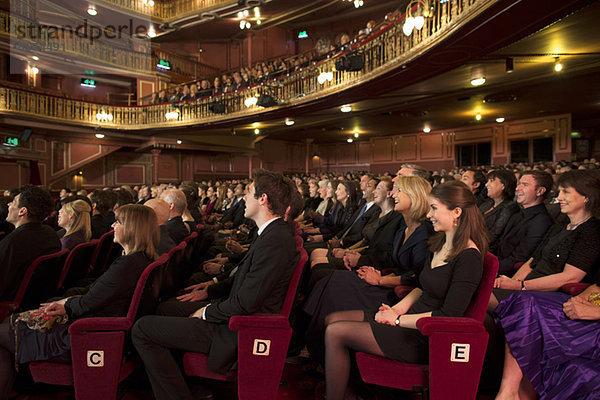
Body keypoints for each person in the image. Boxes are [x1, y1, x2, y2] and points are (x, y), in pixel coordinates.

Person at [131, 170, 300, 400]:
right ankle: (189, 386)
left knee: (142, 329)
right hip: (231, 313)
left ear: (263, 199)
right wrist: (208, 290)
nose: (244, 198)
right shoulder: (270, 234)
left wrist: (206, 312)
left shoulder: (276, 240)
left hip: (237, 328)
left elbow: (248, 302)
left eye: (249, 192)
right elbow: (244, 280)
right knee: (164, 309)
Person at [323, 180, 487, 400]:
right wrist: (396, 309)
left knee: (336, 332)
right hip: (408, 318)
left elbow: (449, 316)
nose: (429, 215)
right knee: (331, 319)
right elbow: (422, 287)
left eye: (434, 208)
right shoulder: (439, 242)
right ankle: (350, 392)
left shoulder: (469, 258)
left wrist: (398, 320)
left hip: (425, 334)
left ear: (456, 212)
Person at [0, 204, 159, 397]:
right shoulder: (137, 259)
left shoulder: (128, 265)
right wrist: (66, 301)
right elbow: (96, 291)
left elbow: (86, 303)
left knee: (3, 331)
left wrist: (65, 304)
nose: (113, 227)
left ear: (133, 228)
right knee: (9, 327)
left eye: (118, 222)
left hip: (88, 334)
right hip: (97, 326)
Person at [304, 176, 433, 361]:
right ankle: (313, 340)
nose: (393, 194)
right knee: (333, 280)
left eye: (399, 191)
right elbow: (397, 264)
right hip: (388, 280)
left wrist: (381, 279)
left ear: (415, 196)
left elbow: (417, 277)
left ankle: (316, 349)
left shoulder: (424, 231)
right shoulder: (403, 228)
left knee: (336, 284)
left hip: (399, 295)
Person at [490, 169, 600, 310]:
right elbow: (532, 262)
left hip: (548, 295)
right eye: (559, 192)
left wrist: (520, 286)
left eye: (565, 192)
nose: (559, 197)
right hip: (528, 287)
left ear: (587, 197)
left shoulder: (591, 231)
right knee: (477, 296)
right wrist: (513, 283)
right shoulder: (559, 226)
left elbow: (571, 277)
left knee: (478, 300)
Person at [494, 281, 600, 400]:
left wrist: (595, 312)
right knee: (527, 302)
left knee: (582, 374)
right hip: (592, 312)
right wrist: (581, 301)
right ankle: (508, 391)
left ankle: (522, 394)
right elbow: (597, 286)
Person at [0, 186, 61, 301]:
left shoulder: (13, 243)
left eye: (13, 202)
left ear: (22, 211)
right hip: (39, 297)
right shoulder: (50, 233)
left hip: (12, 304)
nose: (8, 205)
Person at [494, 171, 554, 275]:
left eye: (525, 185)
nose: (517, 189)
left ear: (540, 191)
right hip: (498, 264)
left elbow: (519, 259)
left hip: (509, 274)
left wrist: (486, 267)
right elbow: (500, 245)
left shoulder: (541, 222)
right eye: (519, 184)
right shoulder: (517, 214)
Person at [479, 170, 519, 253]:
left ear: (503, 185)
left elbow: (494, 235)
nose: (486, 184)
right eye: (487, 181)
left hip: (487, 251)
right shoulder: (488, 203)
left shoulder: (510, 207)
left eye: (492, 181)